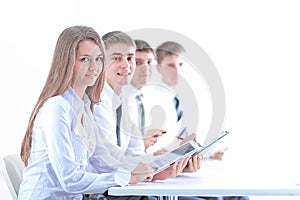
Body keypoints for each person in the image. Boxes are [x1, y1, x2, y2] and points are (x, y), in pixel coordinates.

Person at [18, 26, 155, 200]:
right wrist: (126, 177)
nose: (94, 67)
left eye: (98, 59)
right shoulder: (57, 107)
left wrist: (149, 168)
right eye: (84, 59)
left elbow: (105, 157)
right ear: (67, 62)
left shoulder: (85, 106)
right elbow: (70, 179)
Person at [143, 41, 249, 200]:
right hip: (159, 175)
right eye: (171, 65)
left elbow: (188, 139)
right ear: (159, 68)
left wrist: (209, 153)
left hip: (180, 171)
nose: (177, 70)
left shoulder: (180, 98)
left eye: (180, 64)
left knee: (238, 197)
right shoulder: (149, 98)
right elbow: (152, 147)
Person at [93, 31, 190, 199]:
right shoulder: (96, 102)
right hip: (103, 191)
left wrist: (163, 164)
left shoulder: (127, 101)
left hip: (122, 187)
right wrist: (150, 168)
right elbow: (106, 163)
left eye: (130, 59)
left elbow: (134, 153)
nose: (126, 65)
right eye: (117, 58)